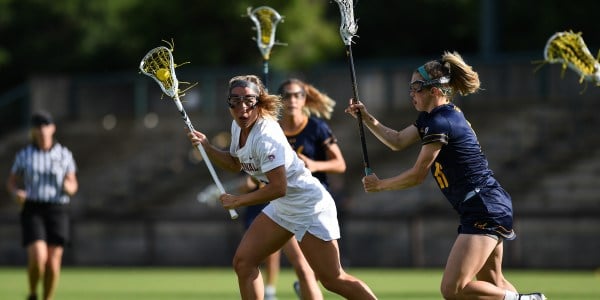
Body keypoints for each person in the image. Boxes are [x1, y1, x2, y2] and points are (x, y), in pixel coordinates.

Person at [345, 51, 546, 300]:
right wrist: (366, 117)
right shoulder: (433, 119)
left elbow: (417, 175)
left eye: (416, 87)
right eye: (410, 88)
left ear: (435, 90)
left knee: (454, 289)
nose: (411, 93)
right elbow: (396, 141)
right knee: (495, 282)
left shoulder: (442, 123)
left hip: (482, 206)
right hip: (486, 204)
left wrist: (380, 185)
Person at [188, 74, 376, 300]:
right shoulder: (238, 126)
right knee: (244, 263)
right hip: (283, 207)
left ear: (260, 100)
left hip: (309, 207)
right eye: (235, 101)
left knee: (332, 280)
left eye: (249, 100)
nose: (242, 108)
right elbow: (235, 163)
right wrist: (207, 147)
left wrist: (238, 200)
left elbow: (279, 188)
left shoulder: (266, 135)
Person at [6, 111, 79, 300]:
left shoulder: (63, 154)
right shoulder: (25, 155)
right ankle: (32, 293)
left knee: (53, 264)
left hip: (57, 209)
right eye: (38, 127)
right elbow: (12, 182)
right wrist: (16, 193)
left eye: (46, 126)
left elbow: (73, 182)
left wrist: (69, 188)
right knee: (39, 259)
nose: (42, 130)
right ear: (33, 131)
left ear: (52, 128)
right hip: (33, 209)